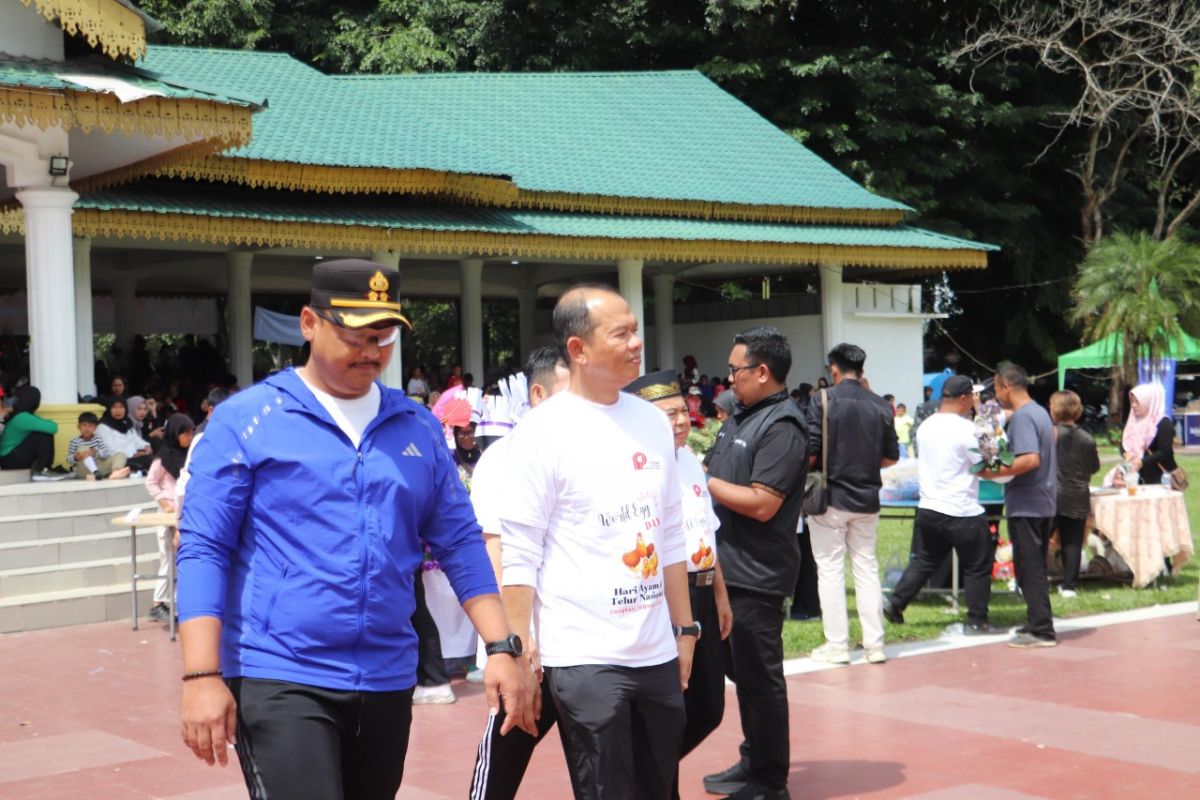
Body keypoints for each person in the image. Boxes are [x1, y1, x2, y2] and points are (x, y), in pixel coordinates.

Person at [176, 259, 534, 799]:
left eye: (384, 336)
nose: (371, 351)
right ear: (308, 323)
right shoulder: (248, 420)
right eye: (355, 335)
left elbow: (459, 541)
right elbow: (204, 548)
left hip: (388, 675)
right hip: (281, 671)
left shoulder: (414, 425)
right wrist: (201, 677)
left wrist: (500, 646)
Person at [499, 285, 696, 800]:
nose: (636, 344)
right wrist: (520, 649)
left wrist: (686, 630)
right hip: (585, 656)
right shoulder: (542, 432)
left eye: (637, 331)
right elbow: (519, 553)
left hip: (655, 651)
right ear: (578, 349)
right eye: (621, 334)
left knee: (659, 788)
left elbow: (669, 533)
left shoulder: (652, 422)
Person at [703, 327, 808, 800]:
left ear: (762, 372)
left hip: (757, 574)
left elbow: (763, 503)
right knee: (742, 675)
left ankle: (770, 781)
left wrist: (701, 483)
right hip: (727, 568)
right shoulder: (741, 418)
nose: (729, 379)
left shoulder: (783, 426)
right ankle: (754, 759)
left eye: (736, 370)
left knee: (761, 679)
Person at [623, 370, 734, 800]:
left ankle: (642, 774)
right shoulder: (640, 463)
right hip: (669, 596)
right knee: (668, 711)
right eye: (669, 414)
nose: (682, 421)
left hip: (703, 592)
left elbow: (707, 529)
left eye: (683, 411)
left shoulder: (689, 461)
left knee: (709, 707)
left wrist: (721, 594)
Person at [468, 346, 572, 800]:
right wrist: (514, 642)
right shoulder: (504, 459)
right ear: (538, 393)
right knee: (504, 756)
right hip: (526, 642)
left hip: (584, 641)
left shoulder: (589, 451)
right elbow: (496, 552)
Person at [806, 343, 899, 666]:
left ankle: (838, 645)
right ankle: (875, 644)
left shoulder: (822, 399)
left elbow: (812, 453)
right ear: (861, 369)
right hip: (867, 497)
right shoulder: (879, 404)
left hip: (831, 498)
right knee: (866, 568)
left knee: (830, 571)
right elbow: (891, 456)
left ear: (833, 368)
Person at [883, 376, 994, 633]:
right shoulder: (967, 429)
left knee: (925, 560)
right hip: (961, 508)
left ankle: (896, 603)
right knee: (978, 565)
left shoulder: (927, 426)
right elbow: (988, 460)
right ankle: (978, 619)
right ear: (965, 398)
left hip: (930, 507)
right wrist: (983, 417)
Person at [986, 364, 1057, 648]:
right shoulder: (1039, 412)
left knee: (1030, 568)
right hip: (1042, 500)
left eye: (995, 388)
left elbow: (1030, 459)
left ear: (1005, 385)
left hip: (1028, 503)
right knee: (1032, 565)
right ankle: (1036, 620)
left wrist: (992, 473)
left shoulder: (1024, 417)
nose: (996, 395)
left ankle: (1042, 629)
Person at [145, 413, 195, 622]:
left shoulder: (191, 456)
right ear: (175, 434)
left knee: (181, 558)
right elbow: (151, 482)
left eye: (192, 432)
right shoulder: (163, 458)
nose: (190, 437)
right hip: (167, 513)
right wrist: (164, 503)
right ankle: (159, 602)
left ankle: (177, 602)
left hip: (184, 512)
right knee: (168, 556)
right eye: (185, 433)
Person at [1051, 390, 1101, 598]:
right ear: (1078, 411)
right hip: (1078, 494)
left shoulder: (1051, 435)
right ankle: (1070, 585)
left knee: (1040, 538)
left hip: (1052, 494)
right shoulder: (1087, 438)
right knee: (1073, 541)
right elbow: (1094, 467)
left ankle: (1030, 578)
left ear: (1053, 411)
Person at [0, 387, 64, 481]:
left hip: (8, 459)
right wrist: (47, 422)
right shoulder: (22, 417)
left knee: (41, 430)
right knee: (44, 434)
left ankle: (44, 469)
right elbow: (53, 427)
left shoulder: (19, 414)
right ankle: (42, 469)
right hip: (10, 460)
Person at [1124, 383, 1176, 487]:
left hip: (1160, 479)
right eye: (1132, 401)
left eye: (1137, 402)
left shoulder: (1163, 423)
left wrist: (1142, 462)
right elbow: (1124, 444)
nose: (1133, 405)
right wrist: (1126, 454)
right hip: (1137, 478)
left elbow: (1165, 452)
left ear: (1148, 402)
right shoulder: (1133, 422)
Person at [95, 397, 154, 474]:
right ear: (109, 409)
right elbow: (110, 449)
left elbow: (136, 440)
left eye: (121, 407)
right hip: (116, 461)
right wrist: (132, 454)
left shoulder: (126, 423)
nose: (118, 410)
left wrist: (145, 446)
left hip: (132, 457)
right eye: (114, 407)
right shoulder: (102, 427)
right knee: (148, 461)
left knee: (156, 458)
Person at [67, 411, 131, 480]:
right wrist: (76, 457)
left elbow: (106, 454)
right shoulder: (74, 441)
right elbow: (68, 459)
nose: (87, 428)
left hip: (99, 467)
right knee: (83, 448)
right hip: (83, 469)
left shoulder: (98, 439)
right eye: (84, 425)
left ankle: (115, 472)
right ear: (79, 427)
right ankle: (95, 472)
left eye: (90, 426)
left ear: (95, 428)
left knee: (120, 454)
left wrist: (96, 453)